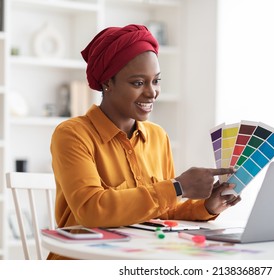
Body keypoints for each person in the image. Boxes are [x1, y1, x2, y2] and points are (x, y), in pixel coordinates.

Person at [48, 24, 241, 260]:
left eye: (156, 81)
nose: (152, 93)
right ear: (108, 82)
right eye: (138, 83)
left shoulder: (157, 136)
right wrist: (178, 187)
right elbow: (92, 209)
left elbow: (164, 209)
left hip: (139, 258)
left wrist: (208, 206)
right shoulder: (73, 134)